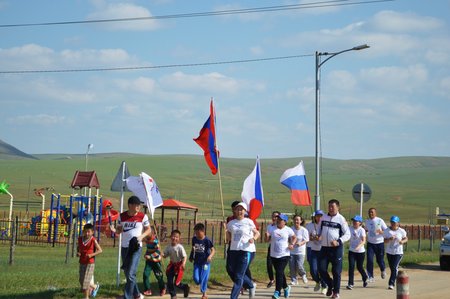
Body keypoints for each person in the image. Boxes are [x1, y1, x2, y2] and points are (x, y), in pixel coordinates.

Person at [110, 195, 152, 299]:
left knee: (131, 273)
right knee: (128, 273)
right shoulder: (122, 216)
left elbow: (148, 230)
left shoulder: (143, 216)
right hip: (125, 247)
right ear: (130, 205)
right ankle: (137, 294)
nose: (138, 206)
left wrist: (141, 237)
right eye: (136, 204)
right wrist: (115, 230)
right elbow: (120, 230)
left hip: (136, 248)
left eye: (139, 205)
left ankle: (127, 296)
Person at [226, 202, 260, 299]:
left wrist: (253, 239)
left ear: (245, 211)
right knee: (230, 270)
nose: (239, 211)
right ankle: (250, 285)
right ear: (235, 211)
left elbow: (257, 233)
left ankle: (233, 297)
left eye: (241, 209)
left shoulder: (248, 222)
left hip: (246, 250)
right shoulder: (231, 223)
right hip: (233, 250)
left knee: (239, 275)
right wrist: (226, 232)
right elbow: (228, 237)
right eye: (238, 209)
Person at [318, 199, 350, 299]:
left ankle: (336, 292)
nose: (330, 208)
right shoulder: (323, 217)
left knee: (336, 271)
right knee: (321, 269)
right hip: (324, 248)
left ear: (338, 207)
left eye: (333, 207)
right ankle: (330, 284)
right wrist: (317, 236)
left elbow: (348, 234)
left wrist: (339, 241)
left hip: (336, 249)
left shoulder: (341, 219)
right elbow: (319, 230)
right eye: (329, 206)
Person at [266, 213, 296, 299]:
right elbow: (267, 240)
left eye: (280, 220)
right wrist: (267, 236)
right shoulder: (272, 228)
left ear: (285, 222)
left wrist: (292, 244)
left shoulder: (288, 230)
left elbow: (294, 237)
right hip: (273, 255)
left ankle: (277, 292)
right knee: (280, 273)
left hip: (284, 255)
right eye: (278, 219)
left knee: (278, 272)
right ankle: (286, 287)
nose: (278, 221)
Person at [189, 222, 215, 299]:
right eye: (195, 233)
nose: (196, 234)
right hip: (197, 262)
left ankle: (204, 294)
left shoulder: (207, 240)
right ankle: (202, 284)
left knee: (204, 277)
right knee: (196, 279)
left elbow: (213, 250)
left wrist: (210, 256)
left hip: (205, 263)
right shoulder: (194, 239)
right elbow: (193, 248)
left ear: (202, 231)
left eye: (197, 233)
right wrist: (191, 256)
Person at [77, 223, 102, 299]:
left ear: (92, 232)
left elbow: (100, 250)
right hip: (82, 262)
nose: (87, 233)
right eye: (86, 231)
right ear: (83, 231)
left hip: (90, 263)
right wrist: (78, 253)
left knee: (85, 282)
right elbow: (79, 248)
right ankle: (95, 286)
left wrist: (92, 255)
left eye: (89, 232)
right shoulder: (80, 239)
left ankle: (86, 297)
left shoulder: (93, 240)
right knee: (81, 280)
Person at [163, 229, 190, 299]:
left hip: (179, 266)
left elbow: (185, 256)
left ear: (179, 238)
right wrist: (162, 254)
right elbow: (165, 255)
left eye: (176, 237)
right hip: (172, 265)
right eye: (173, 236)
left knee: (177, 283)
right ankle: (173, 295)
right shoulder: (168, 247)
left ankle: (185, 287)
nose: (174, 238)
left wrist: (183, 263)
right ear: (170, 237)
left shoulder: (180, 247)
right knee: (169, 281)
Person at [383, 215, 408, 290]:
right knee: (392, 268)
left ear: (398, 223)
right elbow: (384, 241)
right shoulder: (387, 231)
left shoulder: (401, 231)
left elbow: (406, 238)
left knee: (394, 267)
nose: (393, 224)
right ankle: (395, 276)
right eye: (392, 222)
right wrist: (389, 239)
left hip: (398, 252)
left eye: (395, 222)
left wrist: (402, 241)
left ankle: (391, 283)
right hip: (389, 252)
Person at [306, 210, 327, 295]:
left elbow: (327, 236)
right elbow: (306, 237)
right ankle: (318, 282)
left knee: (322, 269)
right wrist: (312, 238)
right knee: (313, 270)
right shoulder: (309, 226)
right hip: (313, 249)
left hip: (323, 250)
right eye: (317, 216)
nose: (319, 218)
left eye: (321, 216)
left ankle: (324, 286)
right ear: (315, 217)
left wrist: (320, 238)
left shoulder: (325, 225)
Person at [365, 207, 388, 282]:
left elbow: (386, 230)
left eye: (372, 212)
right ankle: (371, 276)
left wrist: (381, 232)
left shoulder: (380, 220)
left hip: (379, 243)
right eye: (369, 212)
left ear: (375, 213)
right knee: (369, 260)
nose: (370, 213)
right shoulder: (367, 221)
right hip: (370, 244)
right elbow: (366, 230)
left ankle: (383, 269)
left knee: (379, 260)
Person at [346, 215, 368, 290]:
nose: (354, 222)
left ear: (360, 223)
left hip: (360, 252)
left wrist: (359, 246)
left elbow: (364, 240)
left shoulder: (362, 230)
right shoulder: (350, 228)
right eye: (353, 221)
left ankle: (365, 277)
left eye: (356, 221)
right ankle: (350, 283)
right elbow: (346, 235)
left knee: (359, 267)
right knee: (351, 267)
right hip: (352, 251)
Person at [142, 228, 166, 296]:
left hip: (156, 261)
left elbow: (158, 252)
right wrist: (146, 254)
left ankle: (163, 288)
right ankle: (148, 289)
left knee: (159, 276)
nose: (145, 234)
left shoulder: (155, 241)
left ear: (151, 233)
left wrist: (151, 256)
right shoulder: (147, 239)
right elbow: (148, 249)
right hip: (149, 262)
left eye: (147, 233)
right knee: (145, 274)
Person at [289, 214, 309, 286]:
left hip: (300, 251)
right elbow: (288, 238)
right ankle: (294, 280)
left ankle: (303, 275)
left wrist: (301, 243)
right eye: (295, 220)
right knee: (292, 266)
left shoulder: (304, 230)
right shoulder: (291, 229)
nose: (296, 221)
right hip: (292, 251)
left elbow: (307, 240)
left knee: (299, 265)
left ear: (301, 221)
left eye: (298, 220)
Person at [265, 211, 280, 288]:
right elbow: (267, 240)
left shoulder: (281, 226)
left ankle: (281, 281)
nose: (274, 218)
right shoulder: (269, 227)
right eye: (273, 216)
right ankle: (271, 279)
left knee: (278, 267)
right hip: (271, 247)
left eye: (276, 216)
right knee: (269, 264)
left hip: (280, 249)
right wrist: (267, 236)